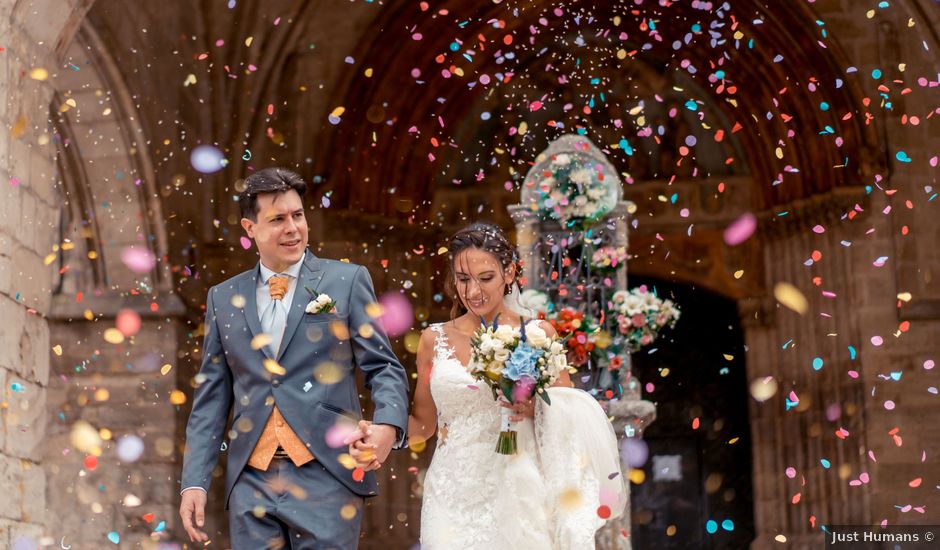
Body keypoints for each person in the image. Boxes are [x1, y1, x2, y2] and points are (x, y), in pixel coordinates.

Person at [348, 222, 626, 549]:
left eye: (486, 278)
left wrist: (533, 404)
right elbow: (424, 425)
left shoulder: (539, 335)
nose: (473, 292)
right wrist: (384, 430)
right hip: (451, 492)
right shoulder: (432, 340)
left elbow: (567, 419)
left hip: (519, 487)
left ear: (509, 273)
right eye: (463, 280)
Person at [178, 167, 410, 549]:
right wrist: (194, 481)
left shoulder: (346, 282)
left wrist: (388, 426)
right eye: (277, 219)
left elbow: (383, 366)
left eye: (297, 215)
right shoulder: (223, 298)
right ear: (249, 228)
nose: (293, 228)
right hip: (251, 482)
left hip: (328, 476)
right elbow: (211, 401)